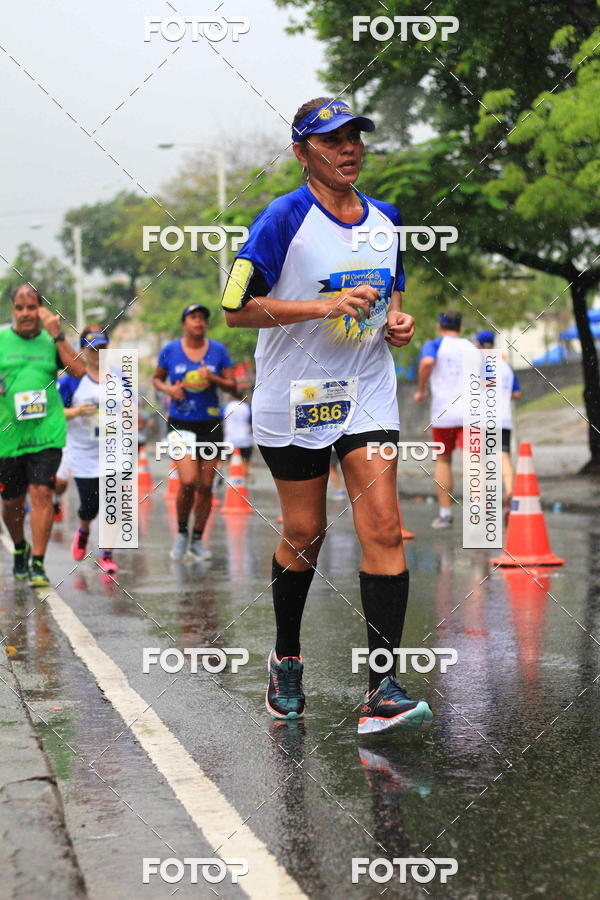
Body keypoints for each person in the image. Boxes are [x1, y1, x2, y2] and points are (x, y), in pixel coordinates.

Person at [222, 96, 432, 735]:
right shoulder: (281, 217)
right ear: (301, 152)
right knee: (305, 531)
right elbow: (235, 309)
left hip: (367, 389)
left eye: (355, 138)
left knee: (385, 528)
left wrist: (398, 325)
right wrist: (323, 306)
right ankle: (286, 657)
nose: (348, 149)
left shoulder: (387, 219)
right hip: (296, 395)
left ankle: (382, 688)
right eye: (332, 140)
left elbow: (393, 299)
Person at [0, 284, 85, 587]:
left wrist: (58, 334)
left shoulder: (51, 340)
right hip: (8, 436)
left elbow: (79, 370)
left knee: (41, 493)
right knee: (11, 503)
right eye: (19, 308)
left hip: (46, 432)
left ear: (41, 310)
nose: (26, 313)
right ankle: (19, 547)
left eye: (31, 307)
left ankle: (37, 563)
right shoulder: (1, 339)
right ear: (13, 310)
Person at [153, 304, 237, 561]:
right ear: (184, 323)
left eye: (202, 318)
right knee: (188, 482)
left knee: (206, 486)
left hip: (210, 425)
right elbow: (157, 379)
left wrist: (213, 378)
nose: (199, 322)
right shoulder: (170, 351)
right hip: (180, 424)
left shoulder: (218, 351)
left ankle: (197, 538)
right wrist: (169, 391)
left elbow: (233, 387)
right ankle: (181, 532)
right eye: (193, 317)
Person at [58, 326, 118, 574]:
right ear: (82, 351)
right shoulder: (71, 381)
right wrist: (76, 412)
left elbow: (130, 409)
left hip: (113, 451)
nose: (97, 354)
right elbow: (54, 414)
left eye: (102, 348)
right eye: (92, 349)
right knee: (90, 506)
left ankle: (107, 555)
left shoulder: (119, 377)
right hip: (83, 453)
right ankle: (83, 530)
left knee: (112, 502)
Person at [414, 311, 479, 529]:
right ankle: (477, 515)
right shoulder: (471, 347)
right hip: (471, 411)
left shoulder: (434, 344)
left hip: (444, 412)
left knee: (443, 461)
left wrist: (422, 389)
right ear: (460, 327)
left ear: (439, 326)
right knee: (473, 460)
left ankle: (445, 514)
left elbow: (427, 362)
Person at [475, 330, 521, 508]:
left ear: (478, 344)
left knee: (481, 461)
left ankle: (483, 501)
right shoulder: (505, 366)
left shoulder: (480, 363)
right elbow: (516, 394)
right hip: (504, 419)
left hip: (484, 420)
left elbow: (483, 383)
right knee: (503, 456)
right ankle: (510, 492)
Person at [222, 396, 253, 481]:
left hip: (230, 439)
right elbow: (251, 421)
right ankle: (245, 479)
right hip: (245, 438)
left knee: (230, 461)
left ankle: (232, 479)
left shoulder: (226, 407)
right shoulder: (247, 407)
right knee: (245, 461)